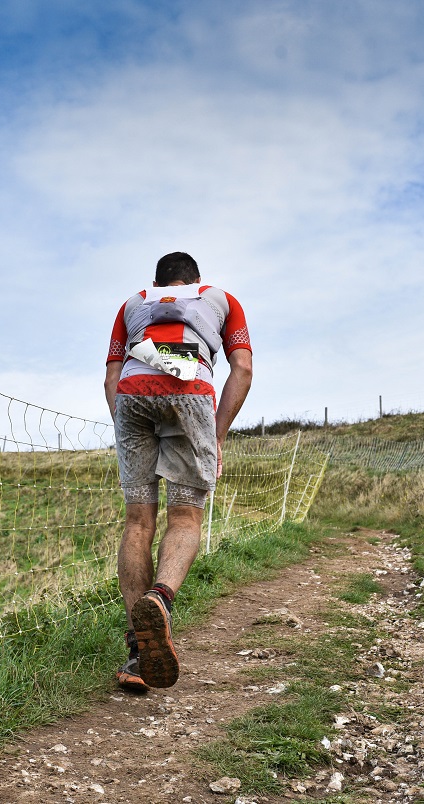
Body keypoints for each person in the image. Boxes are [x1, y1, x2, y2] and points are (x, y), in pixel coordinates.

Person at [104, 251, 253, 691]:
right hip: (190, 391)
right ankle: (160, 598)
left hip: (132, 391)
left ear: (158, 282)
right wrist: (218, 434)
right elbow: (241, 367)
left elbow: (111, 376)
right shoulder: (221, 298)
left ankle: (137, 652)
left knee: (137, 522)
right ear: (195, 279)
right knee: (184, 516)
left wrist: (126, 423)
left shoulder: (131, 304)